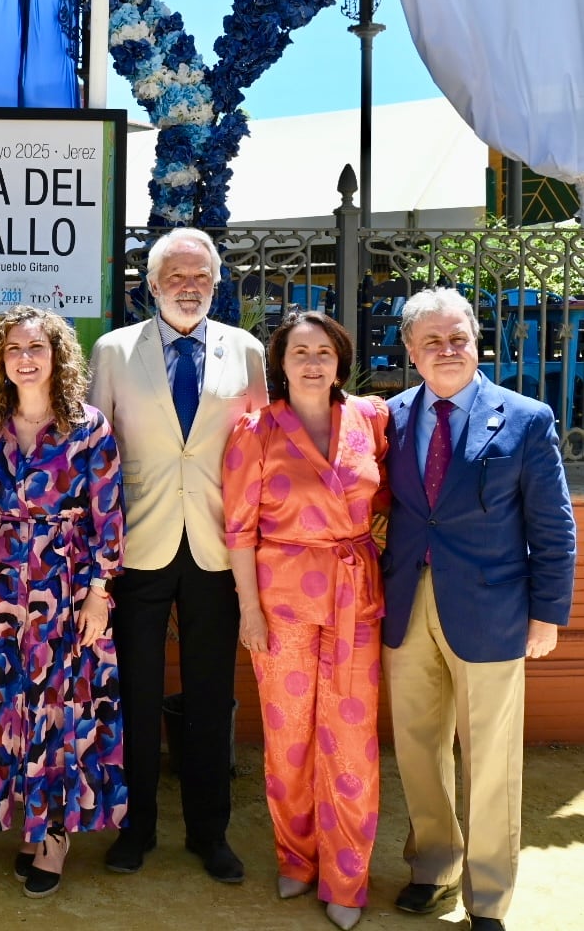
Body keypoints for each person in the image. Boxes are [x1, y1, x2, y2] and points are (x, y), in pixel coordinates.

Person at [382, 288, 575, 931]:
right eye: (431, 340)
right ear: (410, 350)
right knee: (416, 744)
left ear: (476, 339)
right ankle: (434, 865)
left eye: (457, 337)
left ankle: (488, 896)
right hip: (407, 603)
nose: (447, 350)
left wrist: (547, 614)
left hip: (493, 609)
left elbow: (553, 526)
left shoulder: (525, 418)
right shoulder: (391, 416)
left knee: (490, 757)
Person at [86, 227, 267, 883]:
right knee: (134, 691)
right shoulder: (112, 351)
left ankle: (208, 832)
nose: (189, 288)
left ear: (216, 285)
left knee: (210, 696)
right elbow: (94, 458)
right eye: (176, 277)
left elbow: (260, 453)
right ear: (152, 285)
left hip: (218, 549)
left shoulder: (245, 350)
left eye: (201, 278)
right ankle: (135, 830)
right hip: (137, 546)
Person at [222, 311, 390, 931]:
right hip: (281, 604)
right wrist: (248, 611)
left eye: (324, 351)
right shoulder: (255, 430)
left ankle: (347, 876)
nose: (313, 363)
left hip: (354, 601)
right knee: (289, 740)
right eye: (300, 353)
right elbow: (238, 528)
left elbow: (389, 499)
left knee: (350, 740)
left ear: (340, 359)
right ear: (281, 364)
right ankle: (297, 857)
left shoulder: (371, 420)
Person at [0, 305, 127, 899]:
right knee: (13, 702)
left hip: (66, 583)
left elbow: (109, 516)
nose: (25, 359)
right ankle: (29, 821)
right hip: (4, 583)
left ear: (57, 356)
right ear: (0, 362)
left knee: (62, 705)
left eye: (37, 348)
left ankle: (56, 834)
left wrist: (99, 593)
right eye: (13, 350)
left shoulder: (88, 425)